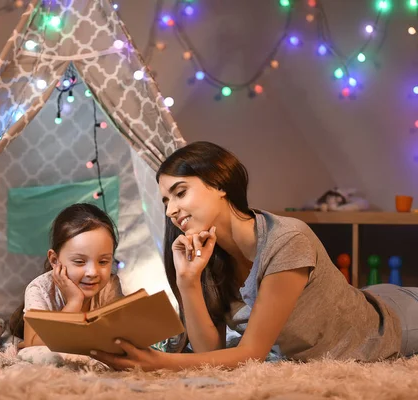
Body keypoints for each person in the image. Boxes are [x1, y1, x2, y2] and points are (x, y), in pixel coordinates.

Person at [90, 141, 418, 371]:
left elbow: (252, 353)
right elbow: (211, 354)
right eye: (165, 201)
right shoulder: (206, 255)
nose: (172, 210)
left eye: (180, 192)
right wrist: (187, 280)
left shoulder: (287, 238)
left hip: (394, 323)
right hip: (357, 302)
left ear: (219, 184)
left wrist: (161, 363)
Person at [9, 203, 123, 347]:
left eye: (103, 261)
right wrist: (74, 302)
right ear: (55, 260)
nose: (93, 272)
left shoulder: (110, 286)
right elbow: (33, 346)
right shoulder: (40, 289)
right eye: (80, 262)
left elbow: (119, 335)